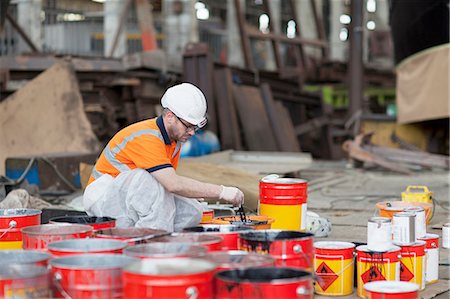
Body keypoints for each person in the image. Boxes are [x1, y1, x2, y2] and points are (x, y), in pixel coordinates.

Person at [83, 83, 244, 232]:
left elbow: (168, 186)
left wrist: (193, 192)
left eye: (195, 127)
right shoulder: (147, 137)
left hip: (128, 197)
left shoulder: (174, 141)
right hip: (103, 199)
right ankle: (152, 243)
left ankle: (145, 233)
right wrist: (221, 191)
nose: (192, 132)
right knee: (146, 180)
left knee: (193, 211)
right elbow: (172, 184)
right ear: (169, 117)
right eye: (188, 126)